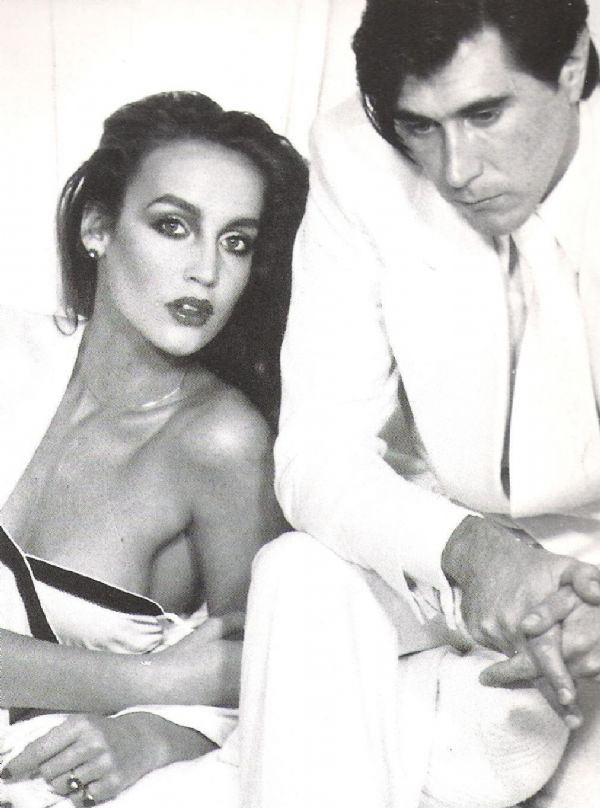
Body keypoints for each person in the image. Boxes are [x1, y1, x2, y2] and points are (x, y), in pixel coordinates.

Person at [237, 2, 600, 807]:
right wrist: (469, 549)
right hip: (462, 556)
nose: (456, 169)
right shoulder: (354, 152)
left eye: (485, 114)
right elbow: (315, 453)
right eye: (420, 128)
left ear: (572, 66)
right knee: (297, 574)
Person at [0, 90, 307, 807]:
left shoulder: (221, 442)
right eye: (173, 226)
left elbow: (260, 675)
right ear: (97, 226)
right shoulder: (9, 356)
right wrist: (150, 681)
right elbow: (191, 676)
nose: (206, 271)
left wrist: (150, 735)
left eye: (236, 241)